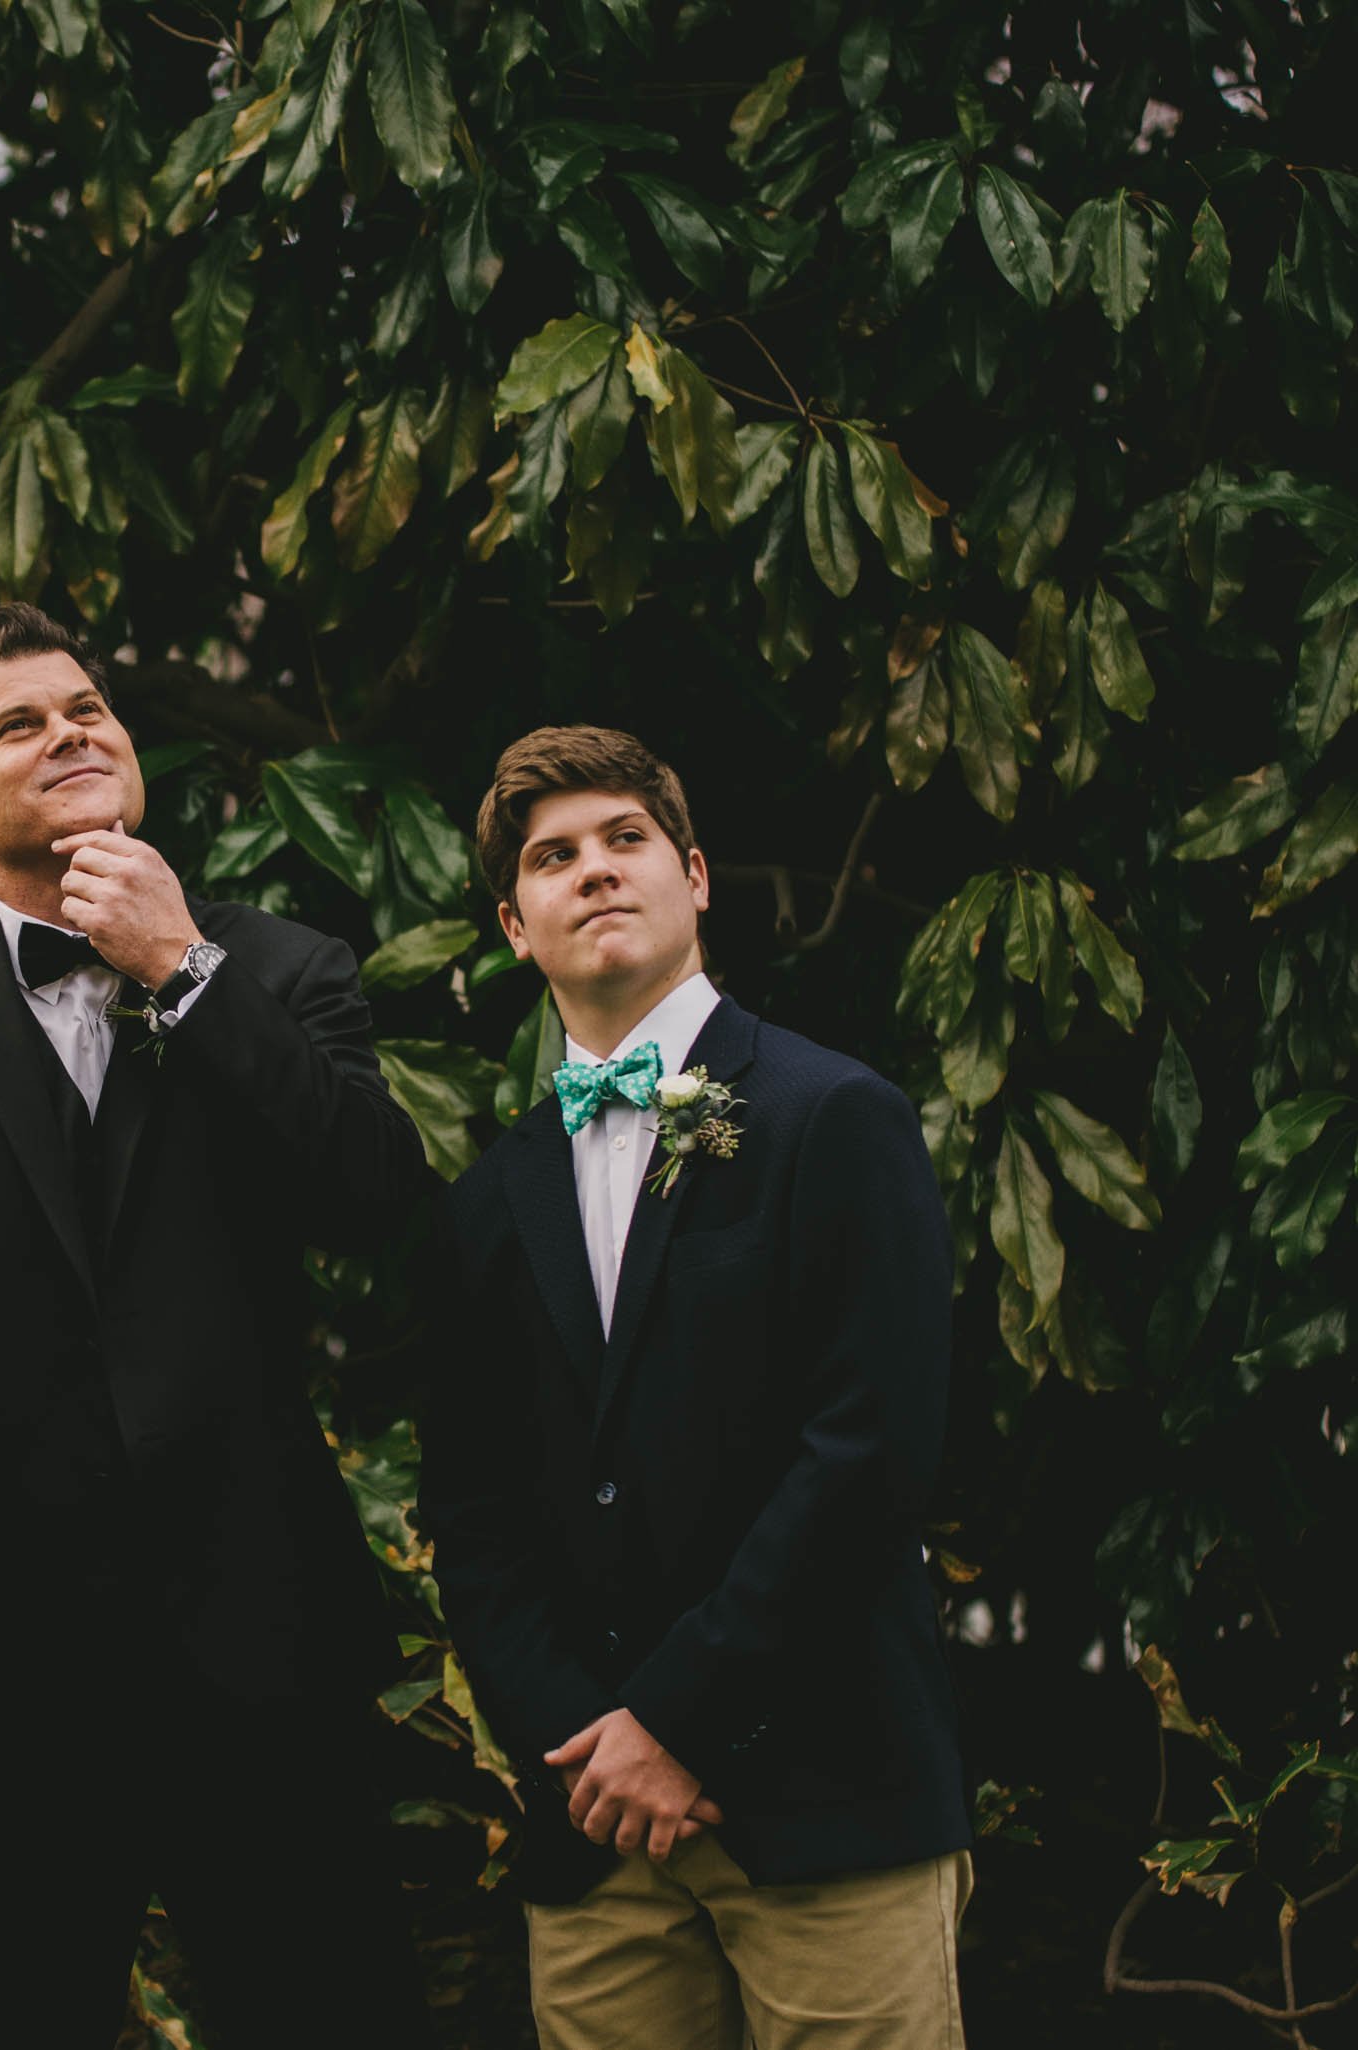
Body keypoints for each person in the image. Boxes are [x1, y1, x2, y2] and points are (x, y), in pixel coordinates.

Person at [0, 604, 434, 2047]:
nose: (75, 728)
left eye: (90, 707)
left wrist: (181, 971)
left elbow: (377, 1198)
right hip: (0, 1675)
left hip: (265, 1643)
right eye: (23, 721)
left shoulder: (279, 965)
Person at [420, 725, 972, 2050]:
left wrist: (678, 1717)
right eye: (555, 858)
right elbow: (477, 1511)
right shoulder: (490, 1199)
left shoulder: (834, 1118)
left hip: (827, 1795)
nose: (595, 871)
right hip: (598, 1829)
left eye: (627, 840)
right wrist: (585, 1740)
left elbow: (869, 1451)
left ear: (698, 876)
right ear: (514, 923)